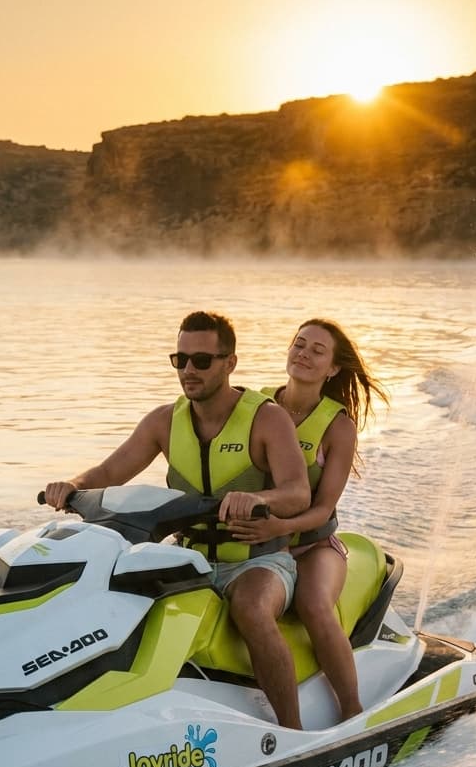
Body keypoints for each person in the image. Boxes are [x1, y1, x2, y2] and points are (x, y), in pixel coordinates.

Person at [44, 311, 311, 728]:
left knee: (251, 608)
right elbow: (108, 474)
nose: (188, 370)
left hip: (258, 560)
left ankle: (294, 732)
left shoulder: (267, 418)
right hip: (189, 561)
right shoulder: (164, 422)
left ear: (230, 363)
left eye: (201, 361)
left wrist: (255, 497)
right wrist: (71, 485)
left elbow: (298, 492)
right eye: (179, 359)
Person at [228, 319, 388, 721]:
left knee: (314, 606)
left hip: (313, 544)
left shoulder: (338, 426)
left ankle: (351, 711)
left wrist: (279, 529)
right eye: (299, 344)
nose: (303, 353)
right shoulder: (254, 406)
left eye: (318, 350)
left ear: (333, 368)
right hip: (256, 546)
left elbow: (323, 508)